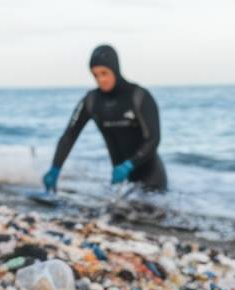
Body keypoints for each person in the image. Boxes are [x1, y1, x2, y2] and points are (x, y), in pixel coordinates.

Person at [43, 45, 167, 193]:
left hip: (151, 179)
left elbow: (154, 139)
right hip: (120, 182)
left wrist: (129, 165)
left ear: (115, 69)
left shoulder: (139, 96)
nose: (101, 79)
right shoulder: (91, 101)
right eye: (95, 75)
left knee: (143, 214)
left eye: (104, 73)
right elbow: (69, 136)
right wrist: (55, 168)